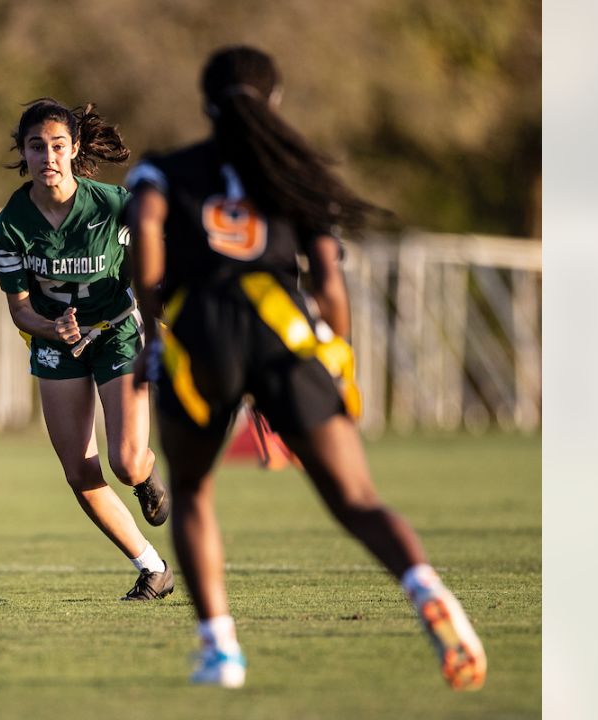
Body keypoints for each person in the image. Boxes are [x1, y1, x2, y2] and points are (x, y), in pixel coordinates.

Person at [126, 46, 486, 689]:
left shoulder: (163, 171)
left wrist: (155, 334)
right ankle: (426, 587)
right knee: (356, 498)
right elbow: (330, 283)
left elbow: (146, 239)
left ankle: (221, 651)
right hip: (285, 332)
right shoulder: (298, 174)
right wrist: (337, 366)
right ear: (277, 101)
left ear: (205, 105)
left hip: (203, 334)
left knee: (193, 491)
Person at [0, 98, 173, 601]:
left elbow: (153, 272)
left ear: (73, 150)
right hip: (57, 346)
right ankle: (153, 568)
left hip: (116, 333)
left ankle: (145, 475)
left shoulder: (116, 205)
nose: (47, 156)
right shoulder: (10, 223)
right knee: (79, 471)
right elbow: (20, 311)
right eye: (35, 147)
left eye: (56, 146)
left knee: (126, 463)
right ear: (23, 153)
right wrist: (53, 330)